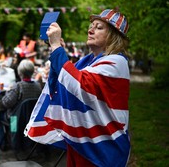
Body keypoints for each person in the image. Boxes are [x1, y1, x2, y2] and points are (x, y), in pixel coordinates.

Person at [25, 9, 131, 166]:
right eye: (91, 26)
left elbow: (78, 85)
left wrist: (56, 48)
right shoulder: (88, 62)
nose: (90, 29)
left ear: (113, 36)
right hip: (83, 142)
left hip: (103, 147)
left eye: (99, 27)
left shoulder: (116, 62)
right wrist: (56, 53)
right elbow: (61, 85)